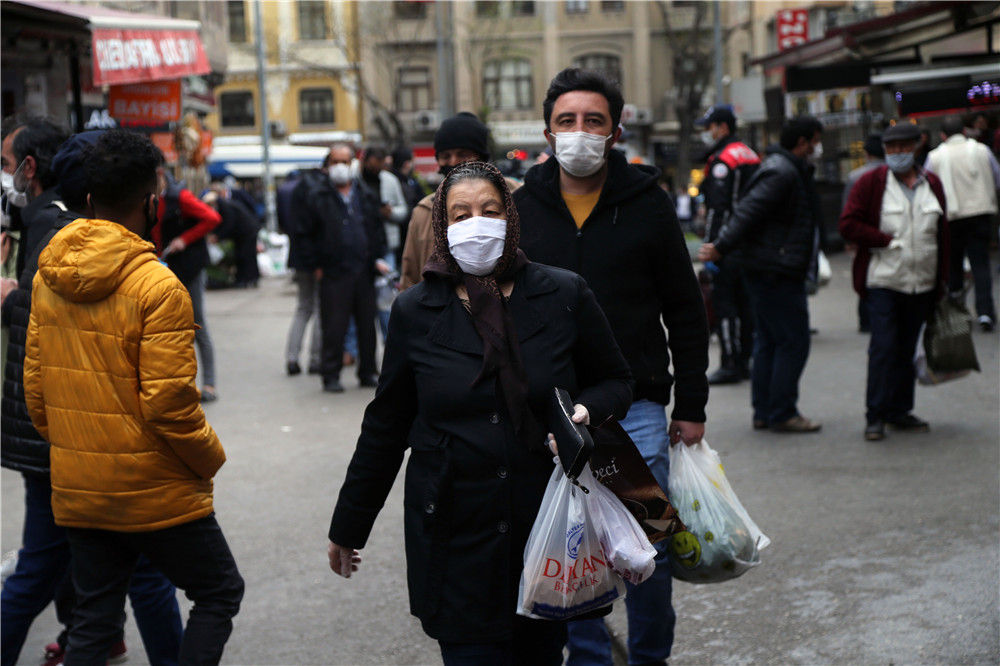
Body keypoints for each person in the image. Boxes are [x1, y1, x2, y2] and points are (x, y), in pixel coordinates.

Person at [327, 161, 633, 665]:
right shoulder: (415, 310)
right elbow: (386, 424)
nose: (477, 224)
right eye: (461, 214)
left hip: (545, 526)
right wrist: (348, 525)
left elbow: (616, 380)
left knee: (541, 657)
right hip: (453, 531)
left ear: (510, 217)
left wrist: (585, 410)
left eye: (490, 211)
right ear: (442, 226)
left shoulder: (562, 292)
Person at [22, 129, 243, 665]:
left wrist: (77, 447)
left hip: (81, 485)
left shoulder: (49, 273)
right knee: (219, 591)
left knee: (94, 621)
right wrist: (209, 458)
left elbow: (37, 391)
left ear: (89, 198)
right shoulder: (159, 286)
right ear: (151, 202)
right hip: (155, 488)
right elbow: (170, 406)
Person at [514, 67, 709, 666]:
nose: (579, 132)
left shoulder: (648, 204)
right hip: (551, 414)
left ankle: (650, 656)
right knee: (572, 546)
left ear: (615, 132)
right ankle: (590, 658)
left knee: (651, 545)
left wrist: (692, 405)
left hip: (637, 410)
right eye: (567, 121)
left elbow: (685, 308)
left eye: (593, 121)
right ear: (548, 133)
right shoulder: (521, 209)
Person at [1, 130, 184, 666]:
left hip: (67, 442)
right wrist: (201, 461)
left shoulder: (56, 243)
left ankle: (100, 642)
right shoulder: (141, 274)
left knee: (90, 577)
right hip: (84, 449)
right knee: (174, 580)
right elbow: (169, 402)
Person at [699, 115, 824, 433]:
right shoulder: (781, 171)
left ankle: (765, 411)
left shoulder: (781, 168)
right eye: (815, 141)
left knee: (769, 339)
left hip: (770, 266)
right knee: (792, 341)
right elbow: (747, 212)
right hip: (775, 269)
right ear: (802, 142)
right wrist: (720, 246)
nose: (817, 148)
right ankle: (782, 411)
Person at [838, 122, 950, 441]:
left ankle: (899, 410)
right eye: (892, 148)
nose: (898, 153)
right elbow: (848, 224)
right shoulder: (871, 183)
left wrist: (945, 278)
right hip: (884, 281)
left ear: (917, 146)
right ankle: (875, 415)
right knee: (884, 347)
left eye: (903, 147)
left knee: (906, 349)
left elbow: (944, 234)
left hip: (922, 282)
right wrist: (883, 240)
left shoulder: (932, 184)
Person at [291, 143, 391, 393]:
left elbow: (376, 228)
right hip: (332, 271)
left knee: (367, 326)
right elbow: (304, 233)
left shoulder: (364, 194)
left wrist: (377, 257)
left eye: (344, 162)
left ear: (352, 163)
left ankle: (367, 372)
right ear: (328, 165)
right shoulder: (317, 196)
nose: (340, 167)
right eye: (335, 162)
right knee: (334, 326)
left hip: (363, 268)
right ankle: (331, 374)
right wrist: (315, 265)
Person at [398, 112, 521, 290]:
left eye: (463, 154)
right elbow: (410, 277)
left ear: (481, 156)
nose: (454, 162)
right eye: (445, 156)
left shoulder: (516, 196)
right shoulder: (424, 211)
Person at [695, 104, 760, 385]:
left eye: (709, 127)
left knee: (726, 305)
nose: (707, 133)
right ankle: (745, 360)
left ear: (722, 127)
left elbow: (718, 209)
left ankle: (730, 363)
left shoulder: (723, 160)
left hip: (728, 246)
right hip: (752, 244)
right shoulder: (750, 154)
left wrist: (712, 246)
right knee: (747, 305)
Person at [924, 115, 1000, 332]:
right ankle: (985, 313)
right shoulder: (982, 150)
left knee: (953, 266)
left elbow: (927, 187)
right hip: (980, 214)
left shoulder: (935, 157)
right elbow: (997, 178)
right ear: (965, 131)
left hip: (951, 218)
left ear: (942, 135)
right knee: (981, 264)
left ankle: (958, 313)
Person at [155, 169, 223, 401]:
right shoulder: (149, 200)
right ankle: (178, 385)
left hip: (190, 268)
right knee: (169, 329)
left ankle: (209, 385)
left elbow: (212, 218)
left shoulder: (179, 197)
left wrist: (184, 239)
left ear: (160, 175)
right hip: (164, 269)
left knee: (197, 323)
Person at [842, 133, 886, 334]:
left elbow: (847, 210)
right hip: (888, 232)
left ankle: (866, 320)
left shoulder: (855, 176)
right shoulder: (895, 174)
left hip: (863, 235)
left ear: (867, 154)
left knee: (864, 274)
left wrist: (849, 238)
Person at [279, 170, 321, 377]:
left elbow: (285, 222)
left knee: (303, 308)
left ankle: (292, 358)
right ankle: (315, 359)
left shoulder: (294, 191)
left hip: (299, 259)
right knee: (320, 309)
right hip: (318, 261)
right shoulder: (321, 192)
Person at [204, 186, 260, 289]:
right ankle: (248, 279)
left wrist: (218, 236)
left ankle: (247, 279)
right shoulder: (225, 205)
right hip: (245, 231)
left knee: (245, 255)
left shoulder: (224, 206)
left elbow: (228, 224)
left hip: (246, 232)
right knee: (246, 255)